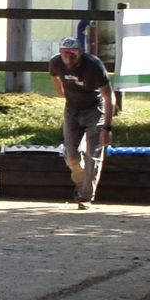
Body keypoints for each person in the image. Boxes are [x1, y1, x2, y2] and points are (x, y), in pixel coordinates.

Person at [49, 33, 120, 208]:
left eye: (72, 54)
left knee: (93, 153)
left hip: (94, 109)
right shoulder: (56, 62)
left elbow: (109, 96)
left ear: (80, 52)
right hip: (72, 109)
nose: (68, 58)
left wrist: (107, 127)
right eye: (64, 54)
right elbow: (55, 77)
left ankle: (86, 196)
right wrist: (62, 93)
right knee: (71, 156)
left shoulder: (93, 65)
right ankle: (80, 179)